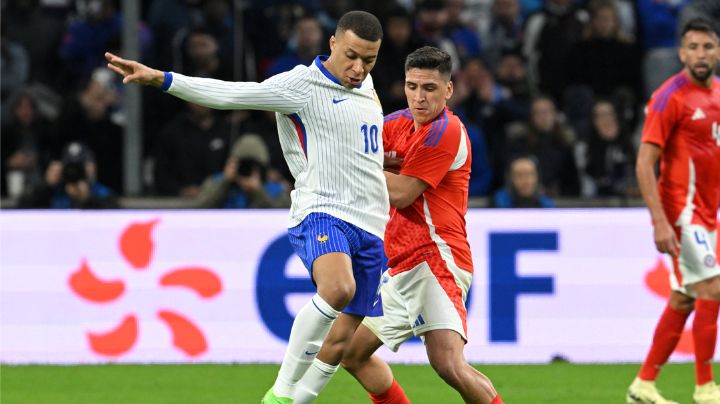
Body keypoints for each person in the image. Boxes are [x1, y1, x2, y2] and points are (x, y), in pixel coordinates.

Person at [105, 11, 389, 404]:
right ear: (333, 44)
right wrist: (162, 79)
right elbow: (231, 94)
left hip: (373, 223)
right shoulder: (299, 86)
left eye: (369, 60)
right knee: (338, 288)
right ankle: (281, 393)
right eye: (352, 56)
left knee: (341, 343)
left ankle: (293, 401)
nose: (359, 68)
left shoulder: (367, 85)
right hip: (323, 209)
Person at [341, 46, 503, 404]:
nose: (419, 96)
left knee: (448, 363)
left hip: (437, 258)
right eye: (412, 86)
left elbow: (401, 193)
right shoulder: (396, 124)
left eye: (429, 88)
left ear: (448, 90)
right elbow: (350, 144)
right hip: (400, 263)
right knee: (351, 351)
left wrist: (355, 163)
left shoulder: (446, 131)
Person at [627, 18, 720, 404]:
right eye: (693, 47)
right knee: (712, 288)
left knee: (685, 297)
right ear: (682, 53)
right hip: (680, 212)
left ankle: (643, 385)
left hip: (708, 214)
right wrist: (660, 222)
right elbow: (643, 163)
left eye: (707, 47)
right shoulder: (670, 97)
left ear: (719, 52)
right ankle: (705, 388)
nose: (701, 54)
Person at [195, 134, 290, 209]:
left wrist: (258, 192)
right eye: (242, 165)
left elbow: (281, 217)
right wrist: (225, 182)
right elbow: (200, 207)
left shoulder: (276, 190)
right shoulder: (216, 182)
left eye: (253, 166)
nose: (246, 170)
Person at [17, 141, 118, 209]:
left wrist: (88, 199)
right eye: (70, 166)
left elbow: (117, 216)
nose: (75, 171)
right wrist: (46, 185)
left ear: (92, 167)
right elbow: (21, 208)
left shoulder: (102, 192)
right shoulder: (53, 191)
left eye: (80, 165)